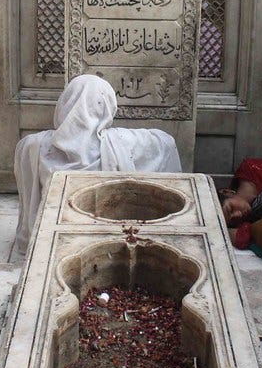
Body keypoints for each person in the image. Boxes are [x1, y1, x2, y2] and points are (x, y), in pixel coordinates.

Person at [14, 74, 182, 253]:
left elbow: (27, 198)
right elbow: (166, 142)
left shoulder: (32, 146)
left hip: (54, 236)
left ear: (64, 103)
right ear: (107, 107)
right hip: (105, 239)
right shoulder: (122, 142)